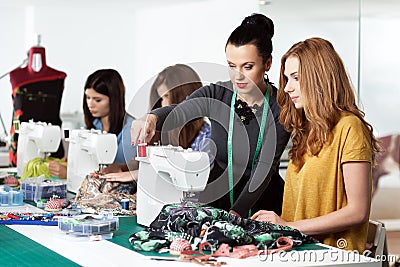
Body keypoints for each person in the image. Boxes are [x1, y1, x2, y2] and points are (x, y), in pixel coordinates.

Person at [130, 14, 290, 218]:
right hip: (216, 202)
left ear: (267, 64)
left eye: (247, 67)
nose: (238, 76)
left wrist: (236, 214)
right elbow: (180, 111)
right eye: (232, 66)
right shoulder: (217, 94)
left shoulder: (281, 108)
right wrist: (152, 117)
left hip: (262, 209)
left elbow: (264, 168)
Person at [251, 37, 381, 253]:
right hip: (300, 252)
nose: (288, 88)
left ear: (319, 79)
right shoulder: (306, 131)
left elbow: (358, 212)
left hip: (332, 256)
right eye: (286, 79)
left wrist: (288, 227)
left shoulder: (350, 128)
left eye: (296, 78)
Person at [99, 64, 211, 183]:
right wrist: (122, 167)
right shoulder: (160, 129)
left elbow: (194, 176)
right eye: (161, 98)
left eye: (167, 96)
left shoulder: (204, 137)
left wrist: (139, 174)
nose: (163, 105)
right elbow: (148, 162)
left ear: (184, 97)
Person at [48, 69, 136, 178]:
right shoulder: (96, 124)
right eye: (88, 97)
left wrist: (69, 174)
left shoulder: (130, 130)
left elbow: (121, 171)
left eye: (97, 100)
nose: (90, 104)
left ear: (114, 100)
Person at [9, 46, 66, 166]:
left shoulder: (59, 77)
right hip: (20, 137)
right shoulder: (15, 75)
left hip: (51, 140)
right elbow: (16, 116)